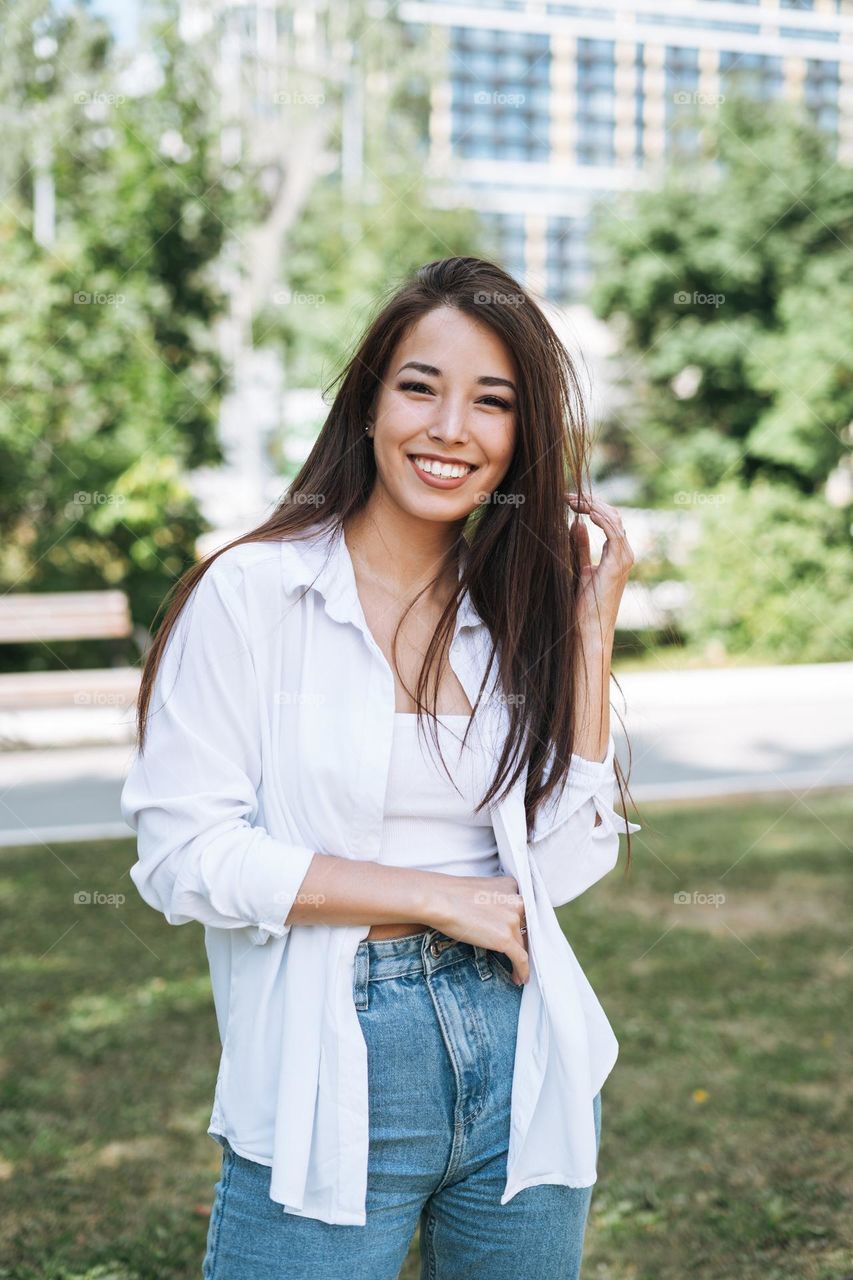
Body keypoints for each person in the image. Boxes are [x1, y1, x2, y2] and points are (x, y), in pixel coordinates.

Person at [121, 256, 641, 1279]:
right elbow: (182, 854)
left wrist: (586, 638)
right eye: (420, 386)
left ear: (519, 437)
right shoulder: (256, 592)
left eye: (491, 402)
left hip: (522, 1046)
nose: (451, 427)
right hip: (335, 1050)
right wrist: (437, 899)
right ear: (367, 402)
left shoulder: (512, 617)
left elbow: (564, 868)